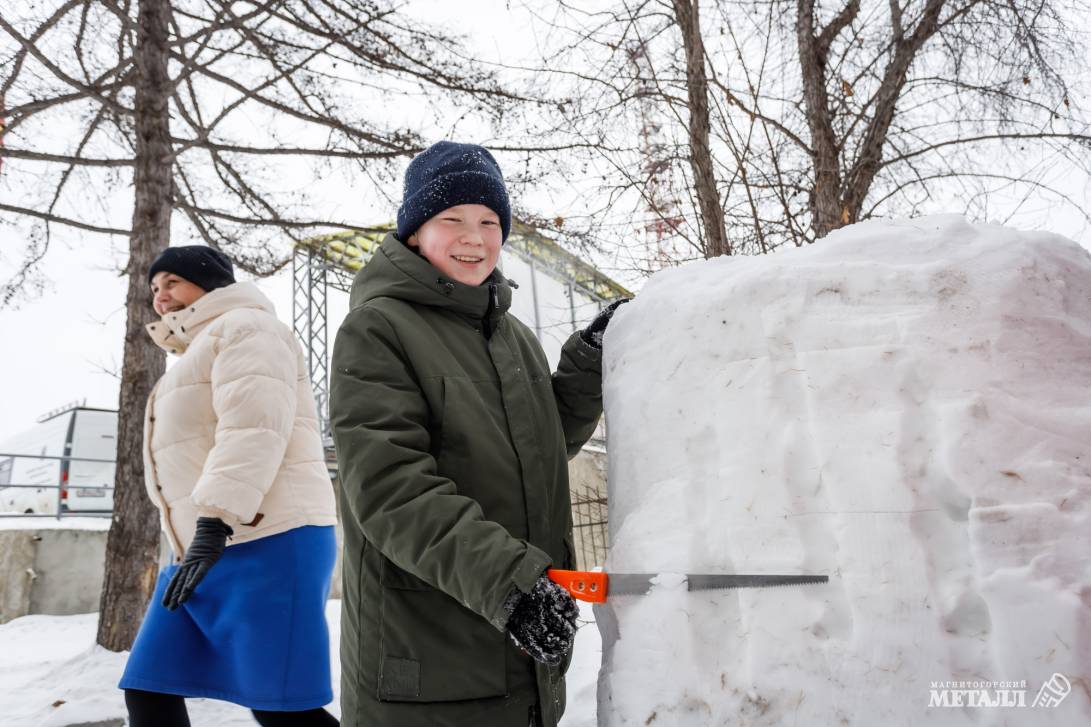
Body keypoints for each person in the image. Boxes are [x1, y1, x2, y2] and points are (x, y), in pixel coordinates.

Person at [330, 141, 627, 727]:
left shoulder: (509, 335)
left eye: (489, 221)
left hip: (515, 653)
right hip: (427, 662)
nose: (475, 236)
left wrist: (588, 361)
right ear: (415, 231)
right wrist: (511, 583)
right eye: (453, 219)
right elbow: (390, 490)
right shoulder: (378, 328)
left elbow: (542, 447)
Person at [119, 245, 340, 727]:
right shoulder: (199, 351)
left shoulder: (248, 327)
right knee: (148, 686)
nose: (161, 297)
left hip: (268, 537)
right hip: (205, 546)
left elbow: (253, 427)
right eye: (154, 289)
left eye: (173, 282)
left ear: (211, 282)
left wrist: (214, 521)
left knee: (282, 707)